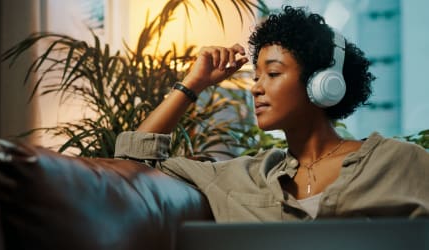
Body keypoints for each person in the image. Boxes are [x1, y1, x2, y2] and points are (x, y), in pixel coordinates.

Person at [114, 6, 429, 222]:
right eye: (255, 77)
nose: (255, 89)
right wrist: (192, 85)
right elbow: (131, 167)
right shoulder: (244, 176)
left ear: (324, 83)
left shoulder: (401, 162)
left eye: (273, 74)